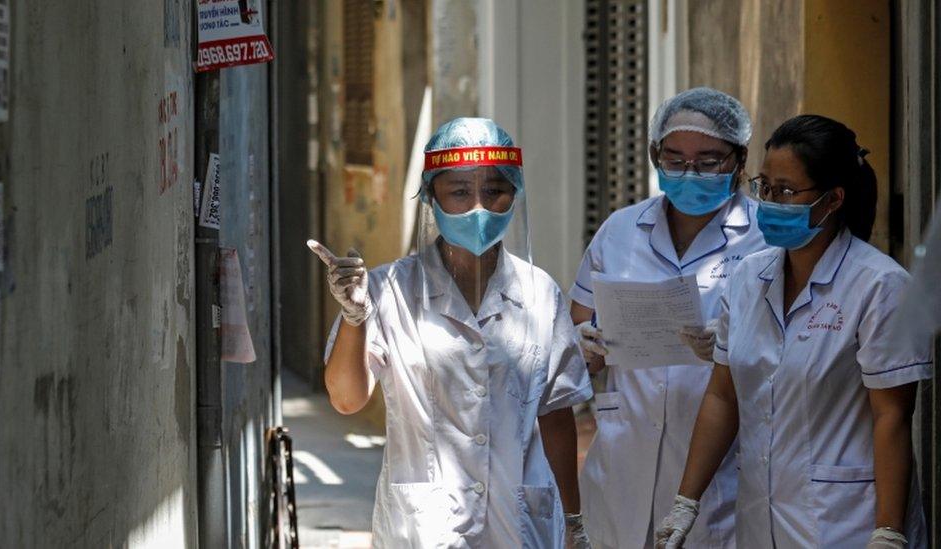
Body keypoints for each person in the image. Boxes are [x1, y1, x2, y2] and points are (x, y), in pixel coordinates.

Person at [309, 117, 594, 548]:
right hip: (424, 527)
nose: (478, 207)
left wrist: (573, 521)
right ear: (432, 197)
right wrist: (355, 319)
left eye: (494, 191)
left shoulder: (540, 294)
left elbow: (555, 414)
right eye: (459, 192)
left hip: (518, 525)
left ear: (513, 194)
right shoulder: (389, 291)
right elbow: (347, 399)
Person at [656, 114, 932, 548]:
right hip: (761, 517)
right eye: (763, 187)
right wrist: (685, 502)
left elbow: (892, 416)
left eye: (785, 191)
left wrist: (888, 531)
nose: (768, 201)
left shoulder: (879, 286)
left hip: (847, 523)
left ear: (832, 199)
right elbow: (722, 396)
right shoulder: (748, 279)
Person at [571, 87, 767, 548]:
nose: (690, 173)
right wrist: (583, 345)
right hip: (624, 457)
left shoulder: (764, 237)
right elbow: (575, 340)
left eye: (708, 161)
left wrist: (733, 345)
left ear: (739, 160)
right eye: (675, 159)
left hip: (722, 473)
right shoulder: (620, 230)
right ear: (655, 154)